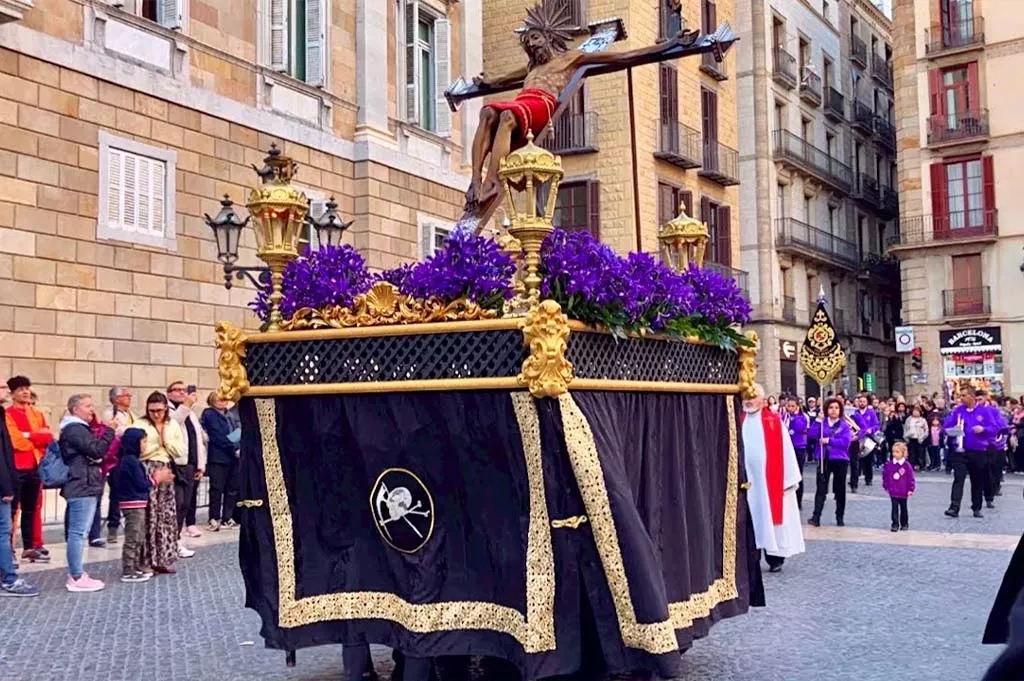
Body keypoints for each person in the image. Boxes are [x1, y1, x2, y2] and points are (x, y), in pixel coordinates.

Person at [741, 384, 804, 573]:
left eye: (753, 397)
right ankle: (751, 557)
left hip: (770, 481)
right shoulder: (738, 420)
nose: (749, 401)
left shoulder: (773, 422)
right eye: (746, 397)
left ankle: (775, 558)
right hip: (747, 481)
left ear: (763, 400)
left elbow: (786, 449)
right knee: (750, 518)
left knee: (771, 519)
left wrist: (788, 479)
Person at [59, 393, 115, 593]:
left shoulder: (79, 429)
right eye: (87, 406)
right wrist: (110, 431)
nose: (92, 409)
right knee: (78, 533)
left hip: (86, 483)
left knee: (79, 532)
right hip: (80, 484)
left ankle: (78, 573)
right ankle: (75, 576)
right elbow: (96, 450)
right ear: (75, 409)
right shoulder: (74, 429)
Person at [110, 428, 174, 583]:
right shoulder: (130, 462)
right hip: (132, 504)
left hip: (137, 503)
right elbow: (141, 484)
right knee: (133, 537)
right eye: (143, 441)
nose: (145, 445)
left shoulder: (131, 461)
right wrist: (156, 478)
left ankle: (136, 566)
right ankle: (128, 569)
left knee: (139, 536)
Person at [4, 376, 52, 564]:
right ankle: (9, 549)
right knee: (12, 511)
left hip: (35, 465)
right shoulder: (7, 414)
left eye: (27, 388)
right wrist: (34, 437)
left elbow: (47, 436)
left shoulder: (37, 413)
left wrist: (30, 436)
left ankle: (29, 547)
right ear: (13, 393)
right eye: (21, 389)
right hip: (16, 468)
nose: (25, 392)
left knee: (31, 510)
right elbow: (15, 441)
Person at [139, 392, 185, 574]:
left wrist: (165, 442)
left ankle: (162, 557)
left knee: (165, 515)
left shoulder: (172, 424)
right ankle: (145, 560)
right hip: (148, 468)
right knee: (149, 515)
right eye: (152, 411)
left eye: (159, 410)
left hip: (166, 467)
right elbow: (139, 449)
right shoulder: (141, 424)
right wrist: (158, 445)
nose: (156, 414)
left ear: (165, 408)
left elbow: (179, 450)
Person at [0, 385, 39, 597]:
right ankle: (8, 579)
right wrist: (7, 486)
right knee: (3, 531)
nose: (6, 390)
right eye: (2, 387)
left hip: (16, 474)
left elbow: (44, 436)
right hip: (5, 482)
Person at [944, 386, 1000, 518]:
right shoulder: (958, 411)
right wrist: (952, 429)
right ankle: (954, 507)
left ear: (971, 396)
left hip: (978, 450)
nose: (961, 398)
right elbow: (946, 426)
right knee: (959, 478)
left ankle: (976, 506)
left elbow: (994, 428)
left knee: (977, 479)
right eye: (960, 396)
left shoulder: (984, 411)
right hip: (960, 450)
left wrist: (983, 429)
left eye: (963, 395)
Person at [167, 382, 206, 553]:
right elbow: (173, 424)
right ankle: (171, 540)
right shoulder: (168, 409)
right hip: (177, 463)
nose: (182, 393)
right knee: (177, 502)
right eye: (177, 390)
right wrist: (186, 406)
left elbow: (198, 439)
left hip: (191, 463)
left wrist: (200, 464)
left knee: (186, 504)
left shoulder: (190, 412)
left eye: (184, 390)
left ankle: (176, 539)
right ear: (169, 393)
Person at [808, 397, 854, 527]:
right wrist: (817, 421)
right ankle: (816, 517)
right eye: (831, 408)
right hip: (824, 459)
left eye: (836, 408)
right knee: (821, 489)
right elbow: (812, 435)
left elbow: (845, 443)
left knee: (840, 489)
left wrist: (829, 441)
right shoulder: (822, 423)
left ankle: (840, 517)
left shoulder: (844, 425)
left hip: (840, 459)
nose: (834, 410)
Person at [102, 386, 137, 544]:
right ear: (116, 399)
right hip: (117, 457)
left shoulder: (131, 414)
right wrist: (133, 430)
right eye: (125, 395)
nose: (129, 397)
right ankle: (113, 527)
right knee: (115, 494)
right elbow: (116, 430)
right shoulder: (110, 414)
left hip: (131, 456)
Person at [201, 392, 240, 531]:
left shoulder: (229, 415)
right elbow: (218, 436)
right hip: (219, 456)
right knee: (217, 489)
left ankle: (227, 517)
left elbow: (237, 431)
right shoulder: (210, 414)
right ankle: (214, 517)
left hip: (232, 456)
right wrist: (234, 445)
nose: (223, 401)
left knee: (232, 489)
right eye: (219, 399)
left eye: (224, 398)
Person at [782, 397, 809, 510]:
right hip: (786, 448)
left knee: (798, 475)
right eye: (789, 406)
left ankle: (798, 501)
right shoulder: (783, 417)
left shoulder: (802, 418)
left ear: (797, 406)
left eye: (793, 406)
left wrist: (793, 418)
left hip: (798, 448)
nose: (790, 408)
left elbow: (800, 428)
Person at [883, 441, 916, 532]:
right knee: (894, 508)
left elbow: (910, 478)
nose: (895, 454)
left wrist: (911, 488)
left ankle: (904, 523)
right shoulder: (889, 464)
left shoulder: (906, 465)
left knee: (904, 508)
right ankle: (895, 523)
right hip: (893, 490)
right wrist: (886, 485)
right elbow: (885, 475)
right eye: (893, 452)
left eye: (897, 452)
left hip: (903, 491)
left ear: (903, 453)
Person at [849, 393, 879, 491]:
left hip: (868, 437)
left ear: (867, 402)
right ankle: (855, 479)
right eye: (860, 401)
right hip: (857, 438)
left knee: (868, 459)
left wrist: (871, 430)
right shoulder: (854, 413)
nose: (861, 403)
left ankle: (868, 478)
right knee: (856, 459)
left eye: (863, 401)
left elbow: (876, 425)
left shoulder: (871, 412)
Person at [903, 406, 928, 471]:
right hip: (911, 438)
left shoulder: (922, 420)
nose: (915, 413)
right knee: (911, 453)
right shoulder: (908, 419)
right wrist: (905, 437)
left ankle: (921, 466)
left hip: (920, 438)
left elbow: (926, 430)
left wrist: (923, 436)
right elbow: (905, 428)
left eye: (917, 411)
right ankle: (911, 466)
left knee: (921, 453)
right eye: (914, 411)